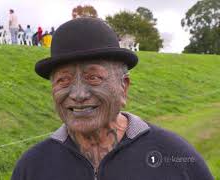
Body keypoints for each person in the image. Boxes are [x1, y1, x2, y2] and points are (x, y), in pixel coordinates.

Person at [11, 18, 214, 180]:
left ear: (123, 87)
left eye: (94, 77)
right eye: (63, 80)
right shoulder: (33, 167)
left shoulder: (174, 156)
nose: (78, 94)